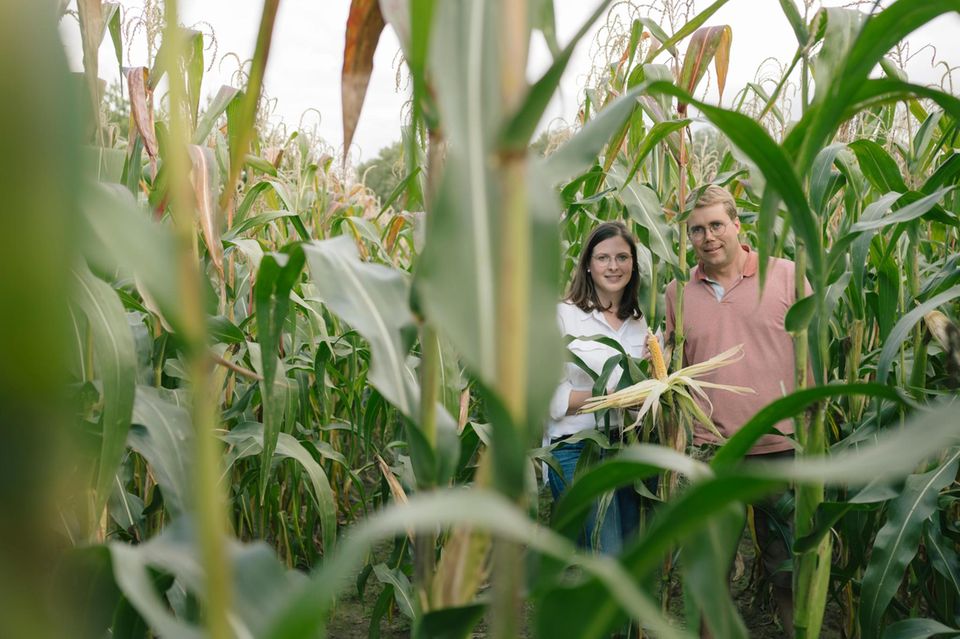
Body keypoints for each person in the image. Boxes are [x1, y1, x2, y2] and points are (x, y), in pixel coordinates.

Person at [665, 185, 805, 634]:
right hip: (712, 455)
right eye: (697, 230)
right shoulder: (677, 294)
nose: (708, 237)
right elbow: (675, 371)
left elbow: (813, 359)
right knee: (710, 574)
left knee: (788, 572)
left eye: (716, 225)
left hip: (779, 449)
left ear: (737, 224)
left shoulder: (785, 276)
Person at [546, 221, 652, 555]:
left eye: (622, 257)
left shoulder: (641, 322)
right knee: (607, 554)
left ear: (633, 264)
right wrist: (614, 397)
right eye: (603, 257)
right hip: (576, 449)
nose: (613, 266)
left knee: (631, 555)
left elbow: (643, 397)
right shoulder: (562, 316)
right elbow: (553, 400)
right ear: (588, 265)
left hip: (627, 447)